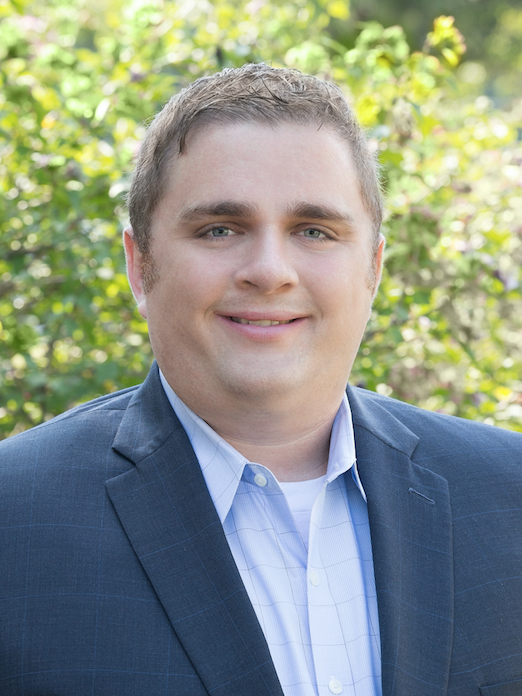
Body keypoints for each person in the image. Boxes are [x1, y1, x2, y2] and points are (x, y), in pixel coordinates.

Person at [0, 63, 521, 696]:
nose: (270, 270)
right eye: (220, 229)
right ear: (140, 266)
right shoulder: (14, 522)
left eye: (314, 231)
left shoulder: (509, 495)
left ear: (373, 268)